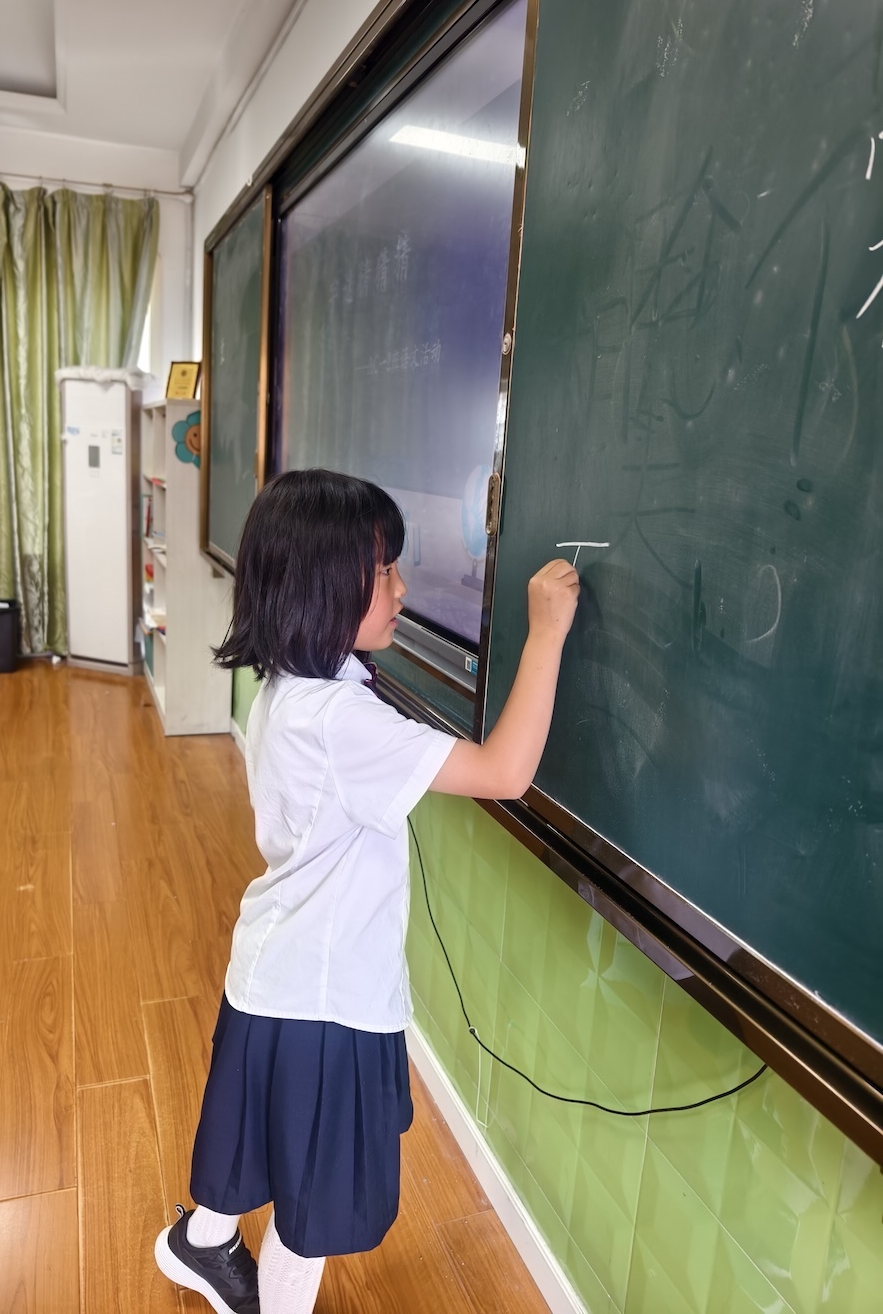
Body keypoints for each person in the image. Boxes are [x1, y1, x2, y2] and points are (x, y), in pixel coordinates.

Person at [155, 468, 579, 1314]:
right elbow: (504, 773)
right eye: (384, 570)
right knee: (313, 1203)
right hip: (327, 1003)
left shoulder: (295, 686)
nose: (402, 588)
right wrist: (545, 634)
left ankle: (200, 1241)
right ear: (323, 583)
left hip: (273, 973)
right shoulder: (342, 723)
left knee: (262, 1139)